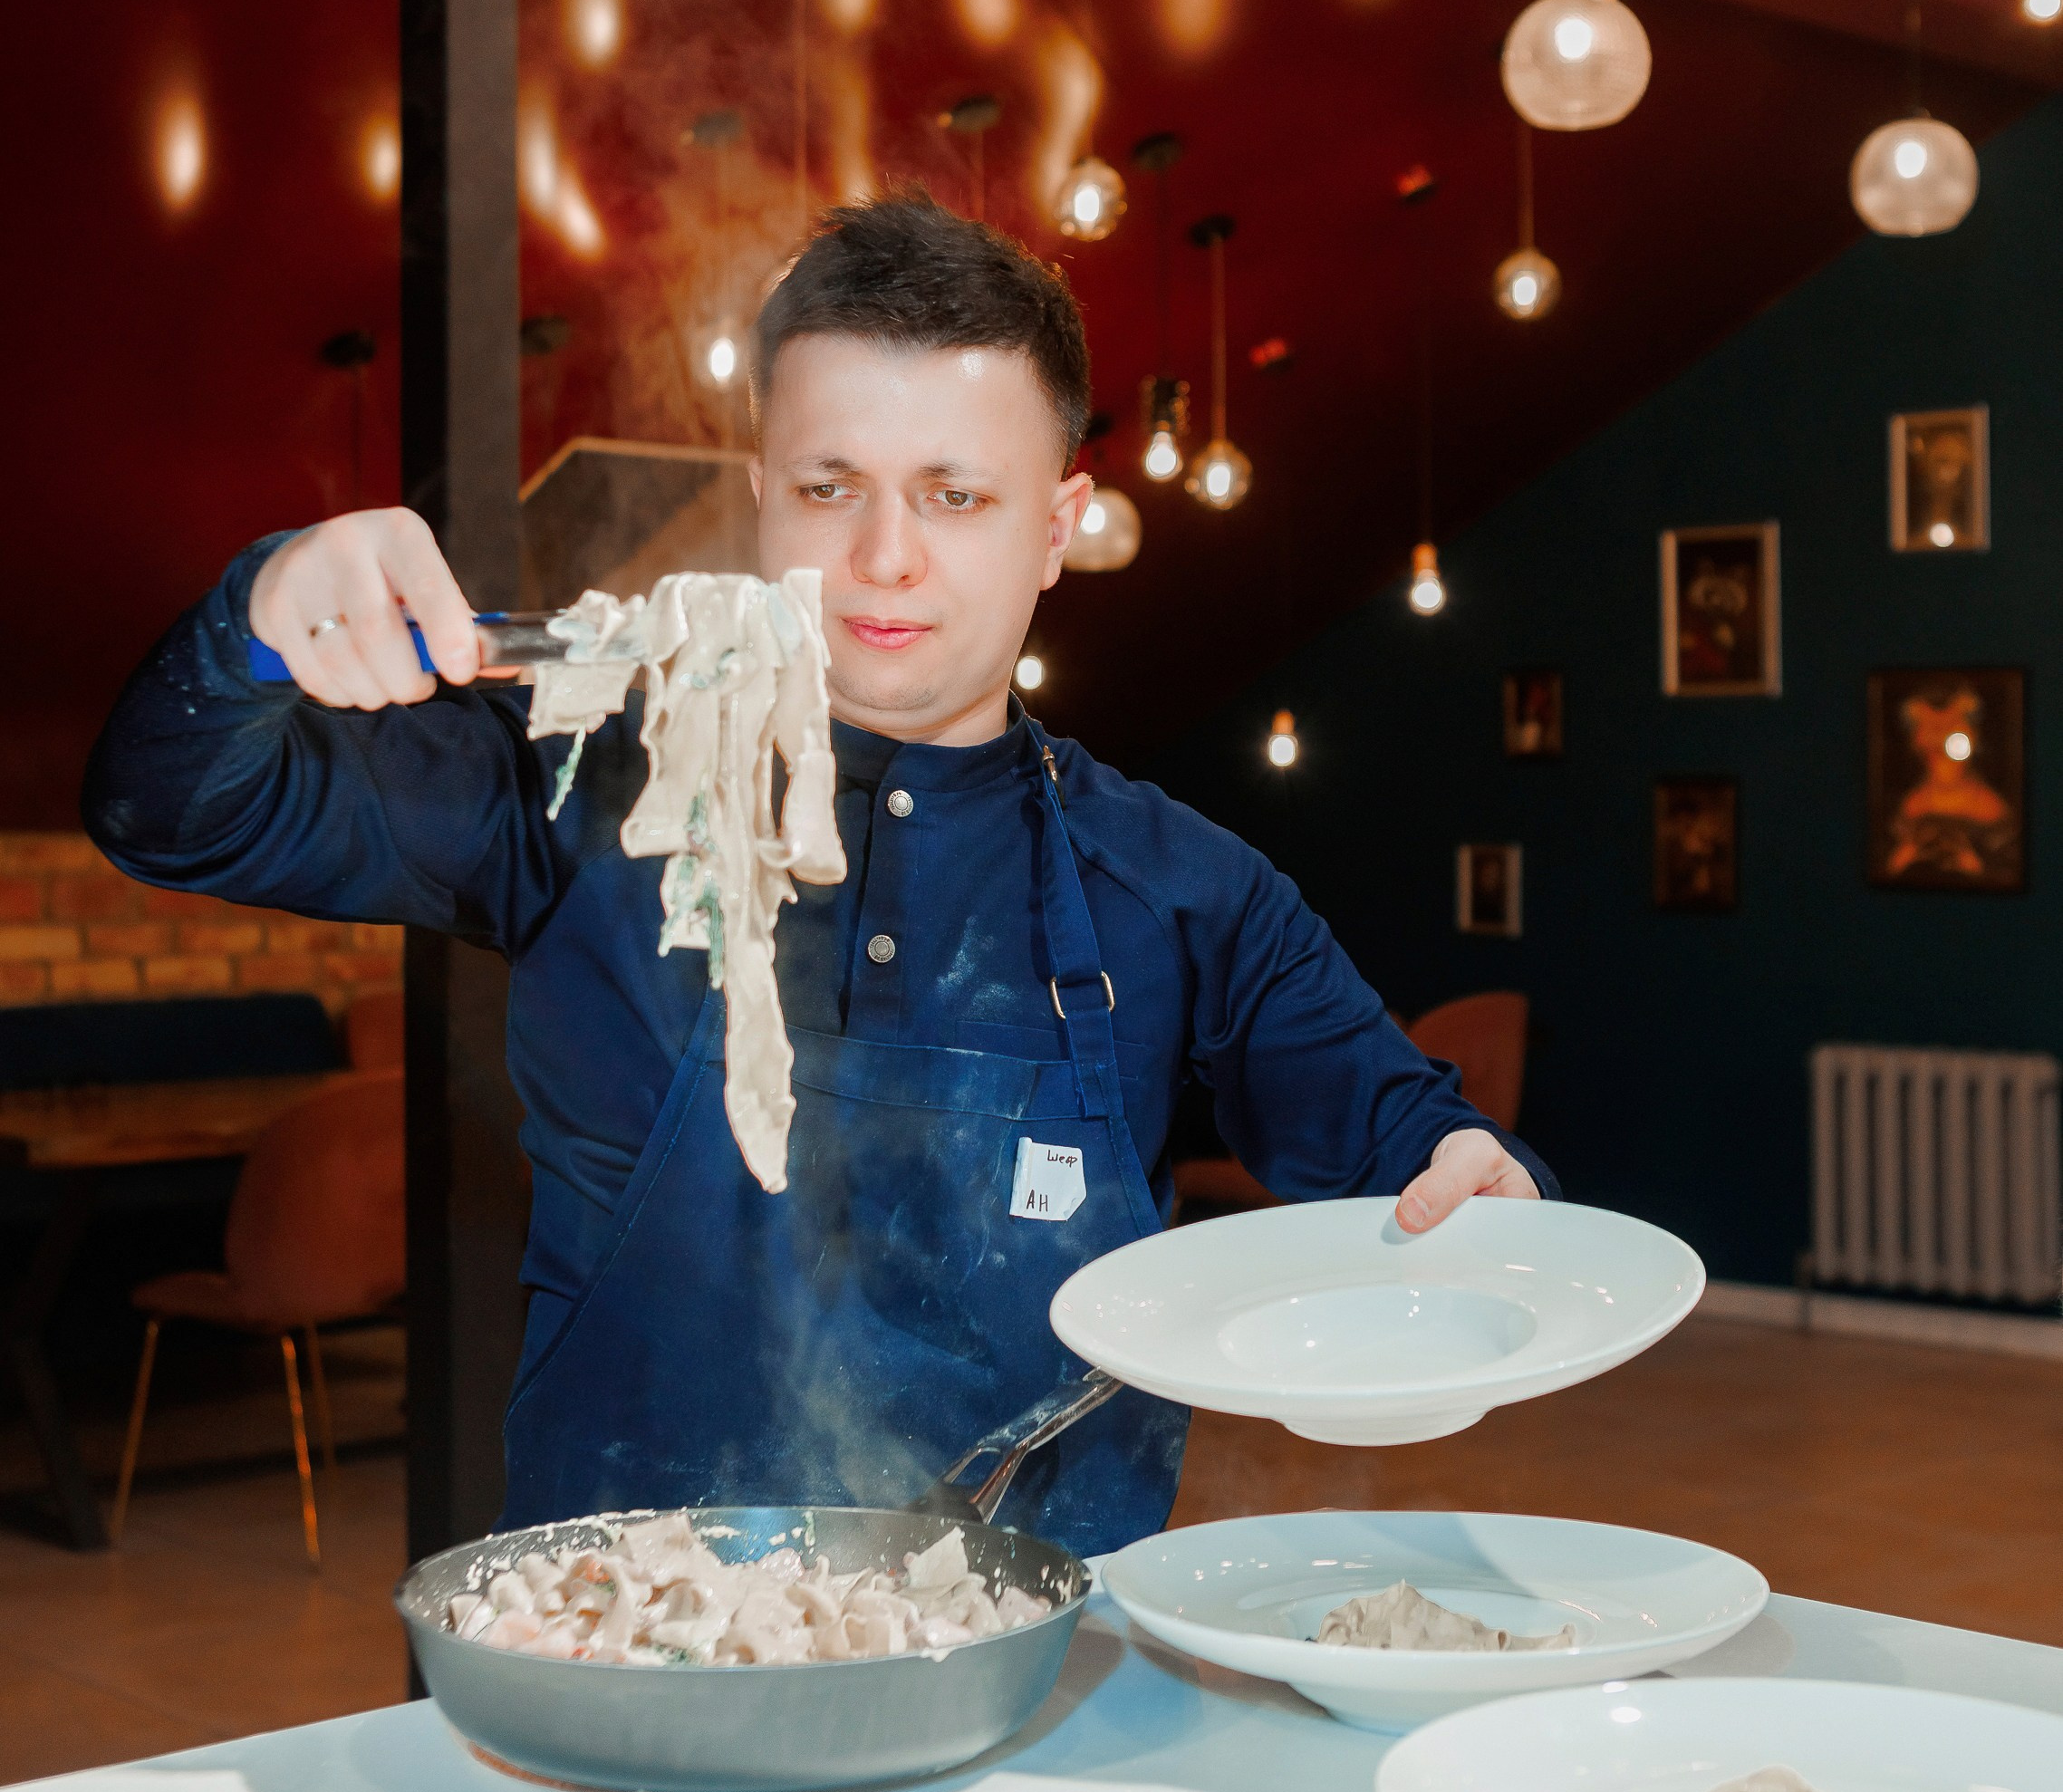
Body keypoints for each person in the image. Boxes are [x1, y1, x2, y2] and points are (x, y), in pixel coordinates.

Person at [84, 193, 1553, 1553]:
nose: (882, 559)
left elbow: (1425, 1168)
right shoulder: (584, 777)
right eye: (829, 485)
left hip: (1043, 1665)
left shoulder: (1179, 887)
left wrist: (1477, 1193)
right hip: (631, 1636)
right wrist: (259, 615)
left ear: (1055, 528)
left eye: (956, 497)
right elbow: (173, 812)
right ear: (761, 496)